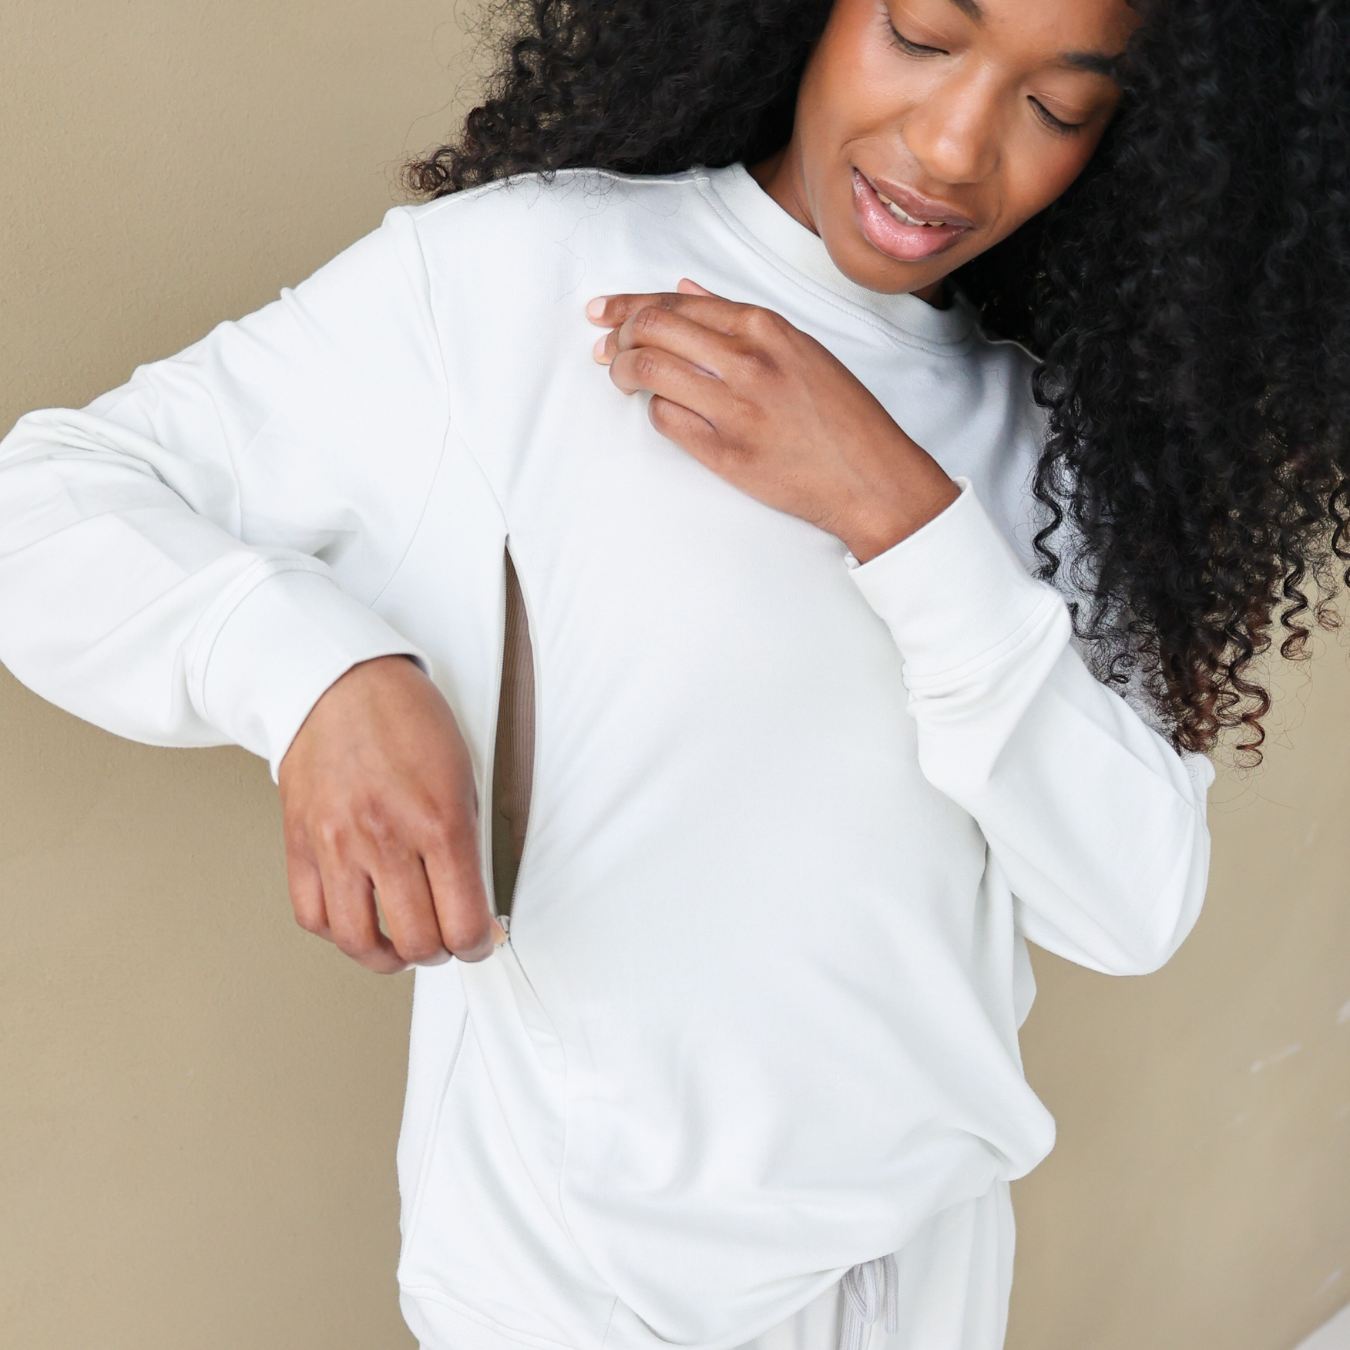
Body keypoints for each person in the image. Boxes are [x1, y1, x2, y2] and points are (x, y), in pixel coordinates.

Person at [0, 0, 1345, 1346]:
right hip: (582, 1303)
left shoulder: (1049, 452)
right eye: (921, 34)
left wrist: (900, 513)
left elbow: (1129, 904)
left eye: (1056, 107)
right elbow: (42, 505)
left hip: (928, 1285)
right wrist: (321, 676)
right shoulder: (517, 279)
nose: (951, 147)